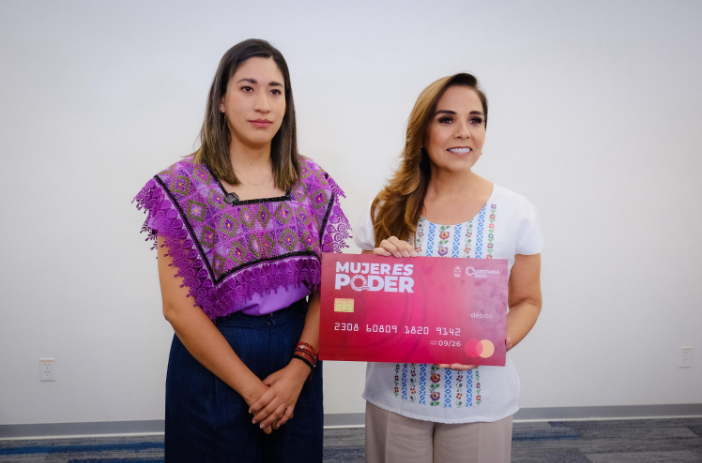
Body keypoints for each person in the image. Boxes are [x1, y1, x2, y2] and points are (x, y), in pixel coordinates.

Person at [133, 39, 351, 463]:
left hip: (296, 353)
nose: (263, 104)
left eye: (275, 91)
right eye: (247, 88)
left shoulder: (312, 181)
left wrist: (299, 368)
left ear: (287, 103)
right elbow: (178, 309)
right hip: (215, 357)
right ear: (221, 99)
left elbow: (328, 286)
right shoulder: (183, 187)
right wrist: (255, 391)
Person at [354, 73, 544, 463]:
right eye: (446, 119)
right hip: (395, 395)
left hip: (481, 400)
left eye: (475, 120)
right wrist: (374, 266)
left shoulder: (516, 211)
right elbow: (358, 302)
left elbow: (527, 301)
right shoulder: (387, 207)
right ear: (422, 131)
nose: (463, 132)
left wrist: (490, 343)